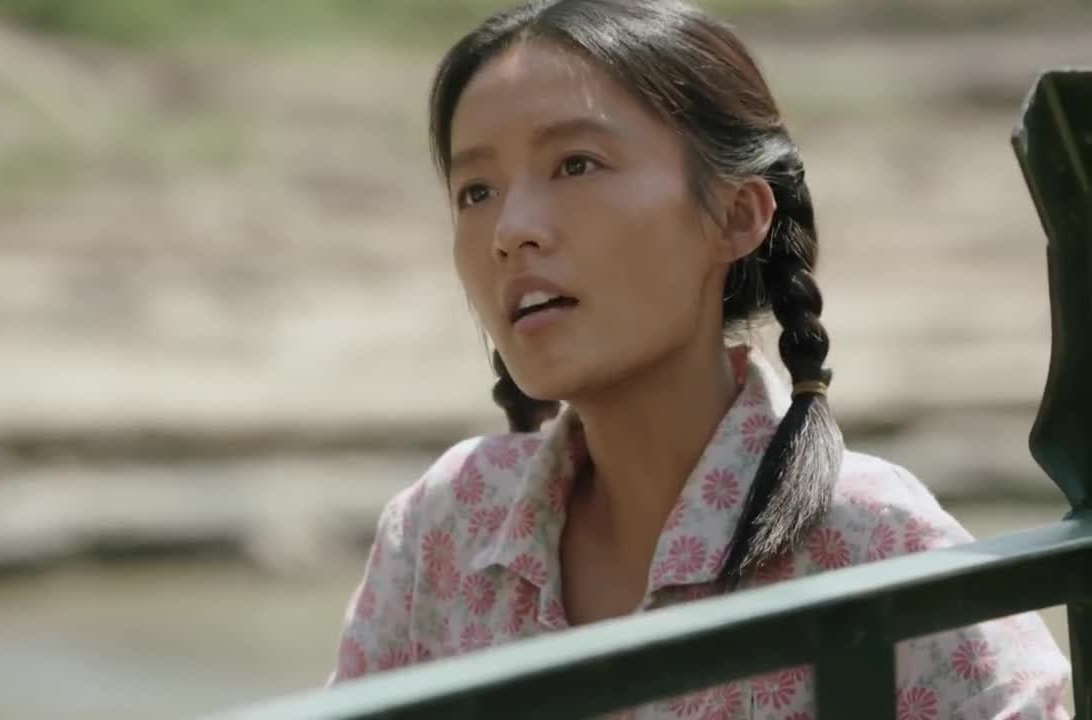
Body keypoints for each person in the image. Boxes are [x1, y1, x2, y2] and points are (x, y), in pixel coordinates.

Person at [326, 0, 1072, 716]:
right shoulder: (445, 528)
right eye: (476, 191)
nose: (510, 230)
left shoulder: (869, 541)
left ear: (737, 217)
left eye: (576, 165)